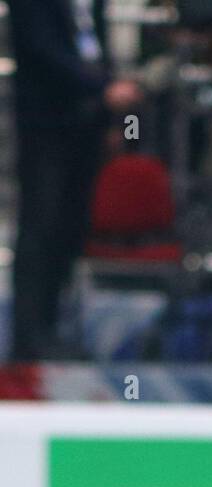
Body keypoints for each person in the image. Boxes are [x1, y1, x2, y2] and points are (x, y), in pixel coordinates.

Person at [6, 0, 142, 361]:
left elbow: (95, 47)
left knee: (70, 226)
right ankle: (29, 335)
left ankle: (53, 328)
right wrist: (102, 87)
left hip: (88, 122)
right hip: (47, 122)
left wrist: (108, 108)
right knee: (41, 223)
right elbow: (42, 50)